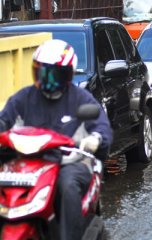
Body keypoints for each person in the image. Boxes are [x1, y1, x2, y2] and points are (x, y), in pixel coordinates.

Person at [0, 39, 113, 240]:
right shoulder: (23, 98)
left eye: (52, 73)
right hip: (26, 165)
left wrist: (96, 139)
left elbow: (101, 127)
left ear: (67, 74)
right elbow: (4, 121)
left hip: (69, 162)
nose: (46, 78)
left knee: (67, 185)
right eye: (42, 71)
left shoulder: (80, 98)